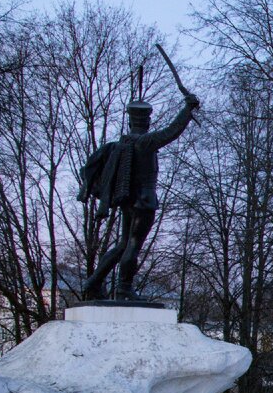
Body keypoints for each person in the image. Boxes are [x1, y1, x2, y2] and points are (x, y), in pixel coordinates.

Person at [78, 93, 199, 301]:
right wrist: (187, 110)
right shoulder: (144, 142)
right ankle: (124, 287)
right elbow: (172, 131)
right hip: (144, 201)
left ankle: (94, 281)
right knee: (133, 244)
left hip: (129, 201)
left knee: (123, 244)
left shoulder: (124, 143)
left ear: (130, 121)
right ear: (147, 121)